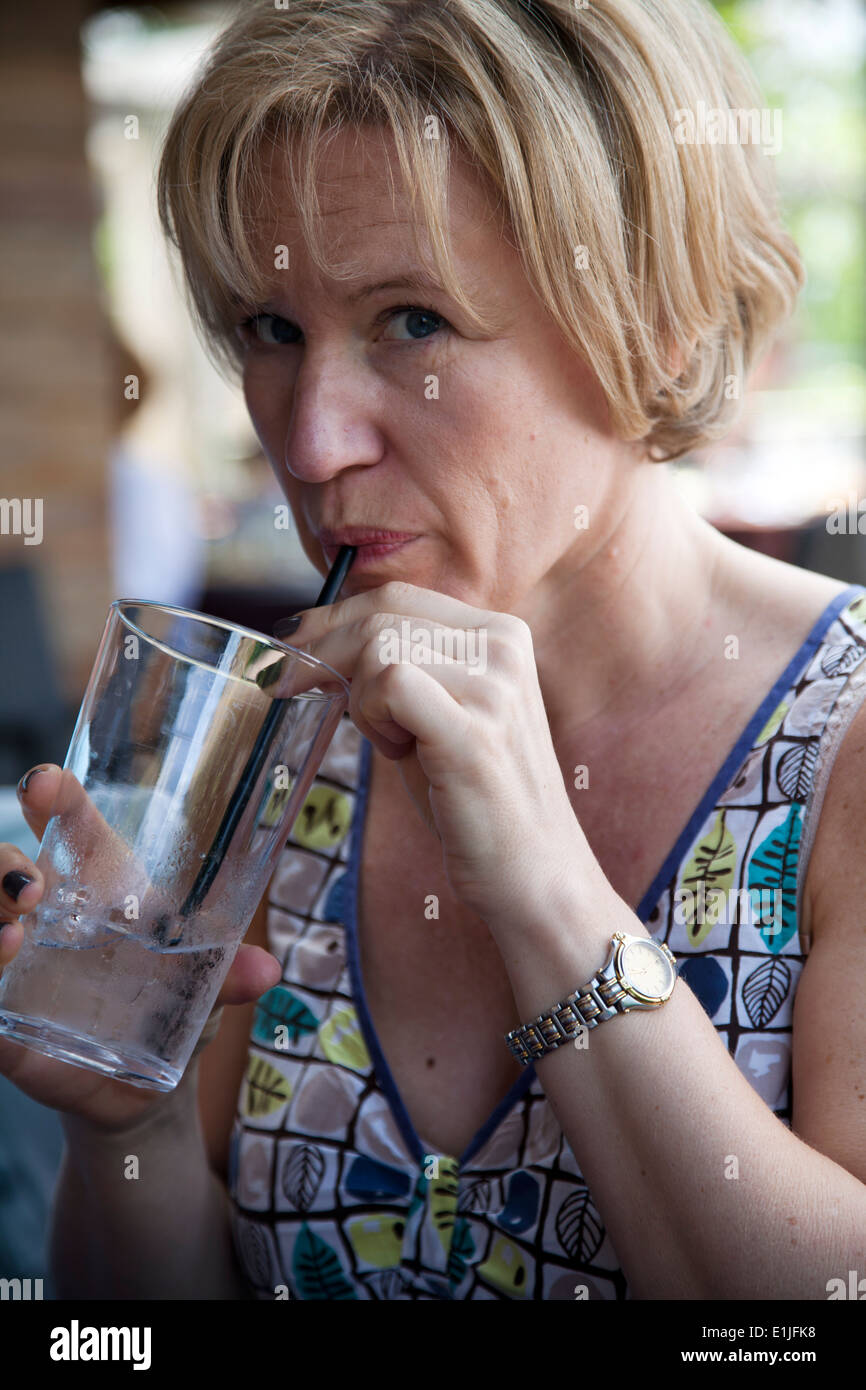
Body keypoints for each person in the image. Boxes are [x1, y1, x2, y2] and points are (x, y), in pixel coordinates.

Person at [2, 0, 865, 1301]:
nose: (307, 444)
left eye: (412, 322)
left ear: (657, 321)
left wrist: (537, 875)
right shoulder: (287, 737)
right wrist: (128, 1122)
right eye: (269, 331)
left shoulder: (841, 743)